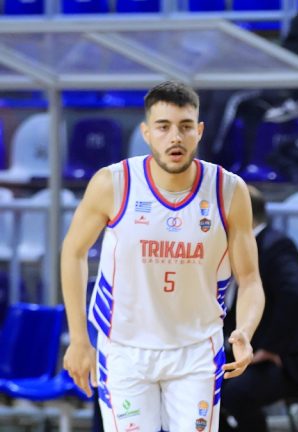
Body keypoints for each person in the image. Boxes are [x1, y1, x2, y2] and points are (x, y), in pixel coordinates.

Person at [61, 81, 266, 432]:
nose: (175, 137)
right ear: (146, 132)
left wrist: (245, 331)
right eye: (163, 127)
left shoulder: (229, 190)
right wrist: (79, 339)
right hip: (124, 347)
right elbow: (73, 252)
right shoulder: (114, 183)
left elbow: (250, 280)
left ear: (199, 131)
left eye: (185, 126)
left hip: (197, 348)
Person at [220, 186, 298, 432]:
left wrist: (269, 348)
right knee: (206, 388)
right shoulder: (242, 248)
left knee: (236, 394)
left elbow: (294, 297)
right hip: (251, 354)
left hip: (289, 359)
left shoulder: (277, 246)